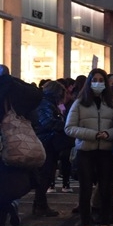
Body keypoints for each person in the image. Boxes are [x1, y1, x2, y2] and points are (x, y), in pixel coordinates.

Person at [0, 71, 43, 226]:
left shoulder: (8, 89)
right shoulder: (10, 89)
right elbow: (35, 95)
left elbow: (36, 95)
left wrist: (5, 79)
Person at [65, 68, 113, 226]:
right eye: (94, 79)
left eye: (101, 79)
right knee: (85, 190)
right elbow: (69, 127)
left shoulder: (112, 103)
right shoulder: (80, 102)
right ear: (89, 82)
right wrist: (92, 134)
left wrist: (107, 134)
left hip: (105, 152)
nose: (98, 83)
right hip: (85, 152)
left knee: (105, 190)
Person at [30, 81, 71, 218]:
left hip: (47, 142)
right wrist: (64, 126)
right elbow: (47, 122)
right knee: (45, 175)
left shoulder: (47, 103)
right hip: (46, 143)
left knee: (46, 175)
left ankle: (40, 204)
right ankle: (40, 205)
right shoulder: (45, 104)